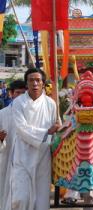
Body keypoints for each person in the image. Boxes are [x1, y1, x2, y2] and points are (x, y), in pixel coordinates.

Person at [10, 68, 59, 210]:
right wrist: (46, 132)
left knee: (41, 202)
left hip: (43, 157)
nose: (35, 83)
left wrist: (57, 130)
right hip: (22, 157)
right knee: (21, 199)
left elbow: (55, 130)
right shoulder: (18, 102)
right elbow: (21, 128)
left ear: (43, 83)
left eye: (38, 80)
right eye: (31, 80)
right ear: (27, 83)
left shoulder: (51, 104)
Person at [0, 80, 26, 210]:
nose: (21, 96)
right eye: (18, 93)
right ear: (10, 94)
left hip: (26, 162)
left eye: (23, 93)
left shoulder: (32, 114)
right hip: (6, 159)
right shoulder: (2, 114)